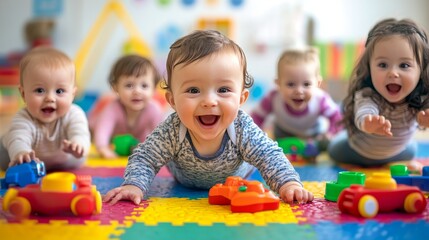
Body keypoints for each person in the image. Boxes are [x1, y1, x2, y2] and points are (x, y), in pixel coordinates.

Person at [103, 30, 314, 205]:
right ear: (173, 100)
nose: (209, 101)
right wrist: (134, 185)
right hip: (184, 183)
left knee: (264, 154)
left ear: (241, 98)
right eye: (193, 90)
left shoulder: (241, 127)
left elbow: (269, 155)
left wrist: (288, 184)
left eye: (223, 89)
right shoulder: (172, 129)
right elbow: (145, 158)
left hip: (237, 178)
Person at [328, 18, 429, 170]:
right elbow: (364, 111)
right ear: (369, 68)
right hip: (357, 153)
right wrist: (368, 123)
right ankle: (324, 140)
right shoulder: (368, 95)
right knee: (333, 147)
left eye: (404, 65)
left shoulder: (421, 98)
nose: (393, 73)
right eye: (383, 65)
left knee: (413, 148)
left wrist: (426, 119)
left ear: (421, 70)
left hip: (398, 153)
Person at [0, 47, 91, 171]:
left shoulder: (74, 114)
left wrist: (78, 144)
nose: (50, 98)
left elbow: (80, 133)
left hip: (62, 160)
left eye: (59, 91)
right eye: (40, 90)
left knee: (78, 159)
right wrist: (21, 152)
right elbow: (18, 138)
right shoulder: (24, 118)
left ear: (72, 94)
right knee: (7, 153)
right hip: (21, 159)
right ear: (23, 94)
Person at [250, 47, 342, 143]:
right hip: (283, 135)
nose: (299, 91)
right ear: (278, 84)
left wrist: (330, 133)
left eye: (306, 84)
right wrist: (256, 136)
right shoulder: (273, 97)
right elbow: (256, 117)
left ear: (317, 84)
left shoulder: (321, 99)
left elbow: (337, 118)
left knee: (325, 144)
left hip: (313, 135)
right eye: (291, 84)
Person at [88, 55, 164, 159]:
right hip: (101, 133)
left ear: (154, 89)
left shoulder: (154, 110)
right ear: (116, 88)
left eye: (144, 86)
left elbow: (161, 136)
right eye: (129, 85)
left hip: (133, 142)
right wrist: (103, 147)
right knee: (87, 132)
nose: (137, 91)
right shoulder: (113, 108)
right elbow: (102, 131)